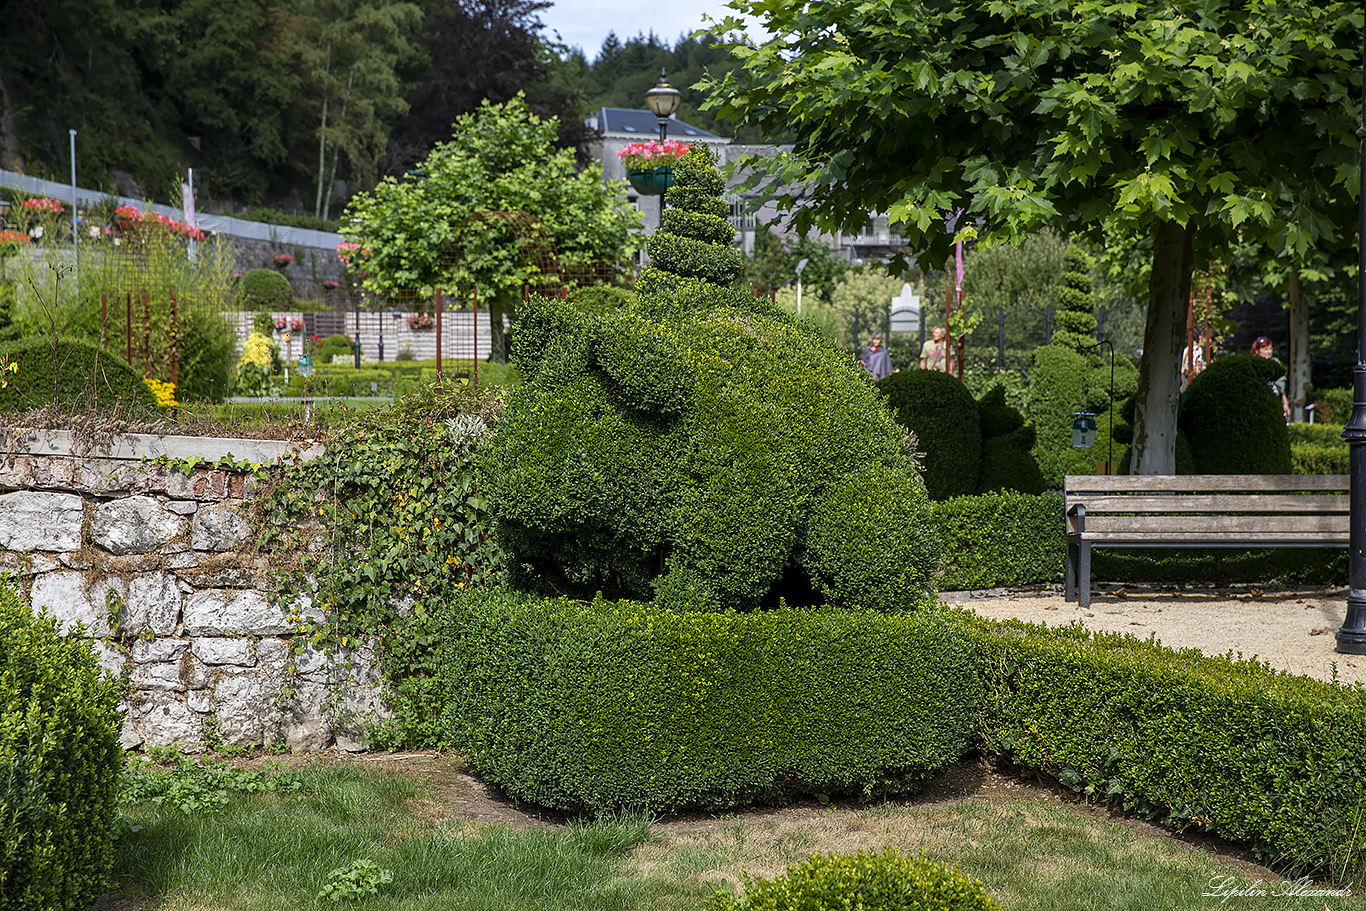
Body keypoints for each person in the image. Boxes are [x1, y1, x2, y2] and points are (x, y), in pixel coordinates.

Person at [1251, 336, 1290, 422]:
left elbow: (1281, 388)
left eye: (1270, 349)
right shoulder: (1252, 366)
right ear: (1257, 351)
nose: (1269, 352)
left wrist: (1285, 403)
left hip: (1274, 402)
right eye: (1265, 349)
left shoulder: (1276, 363)